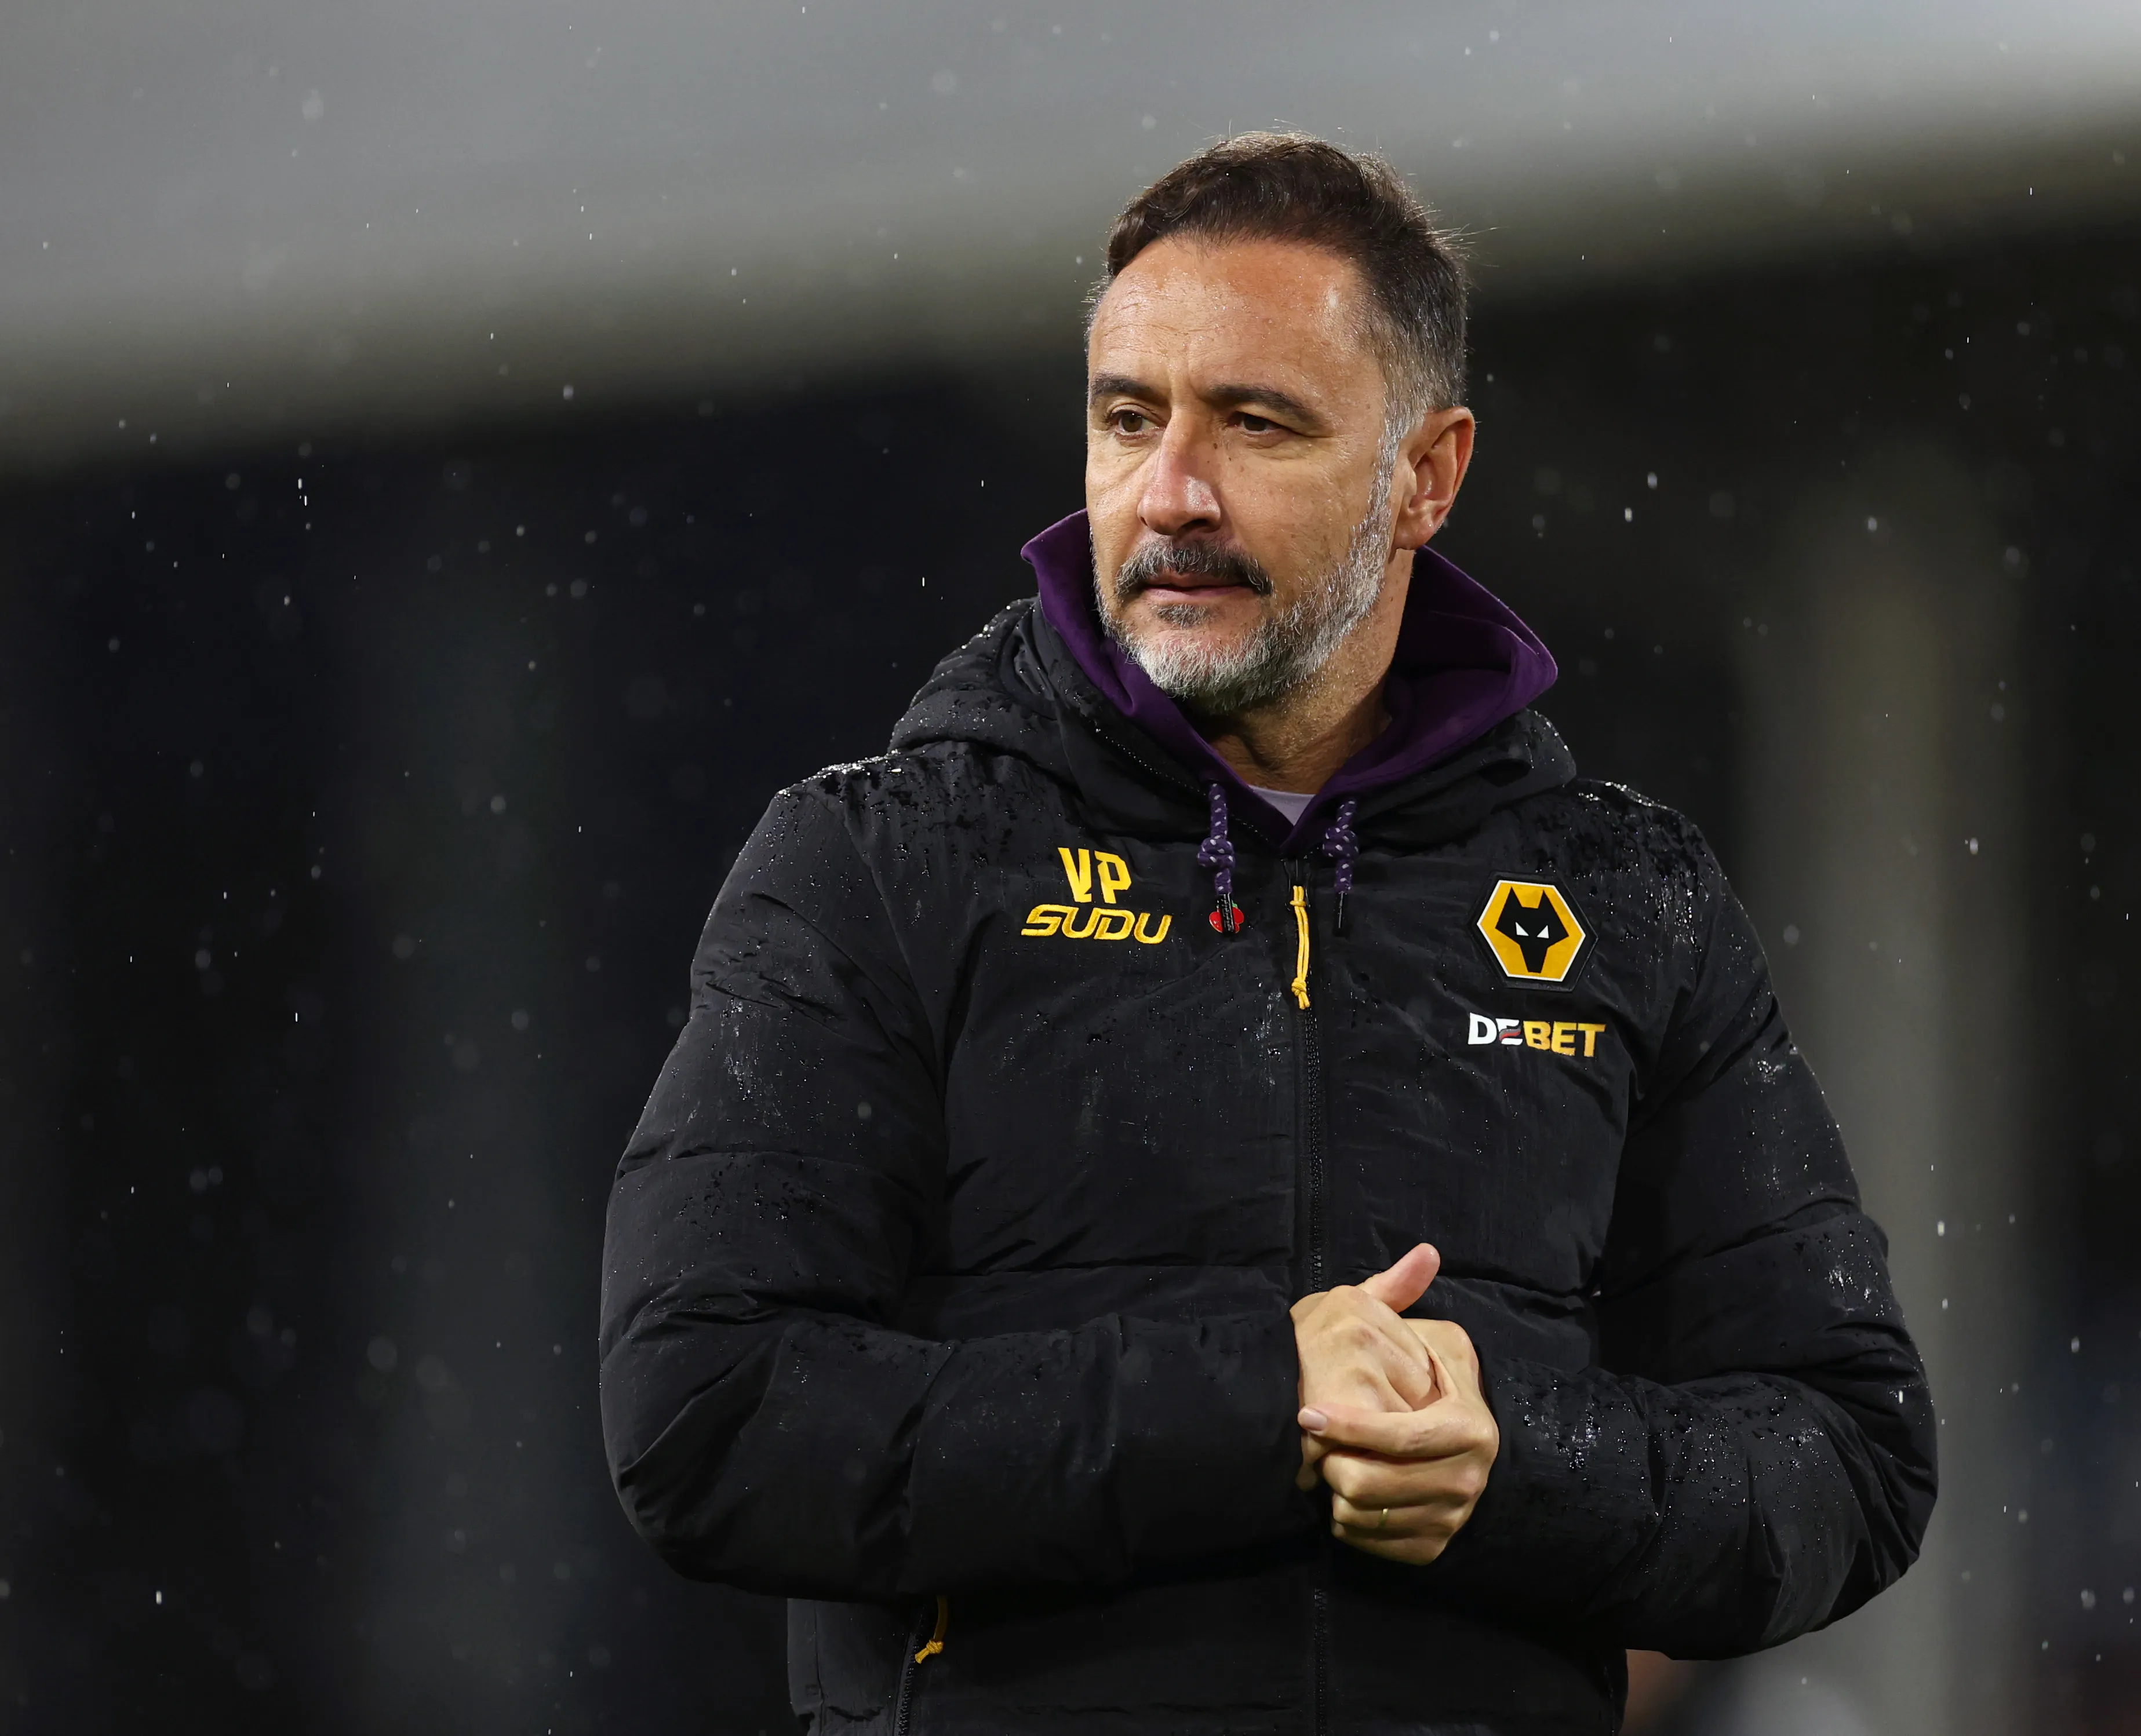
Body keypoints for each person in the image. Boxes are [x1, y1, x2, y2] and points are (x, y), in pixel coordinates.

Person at [599, 133, 1935, 1735]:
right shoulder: (879, 860)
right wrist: (1254, 1399)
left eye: (1254, 422)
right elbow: (704, 1417)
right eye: (1125, 419)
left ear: (1423, 475)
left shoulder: (1623, 900)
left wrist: (1522, 1465)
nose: (1170, 493)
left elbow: (1846, 1457)